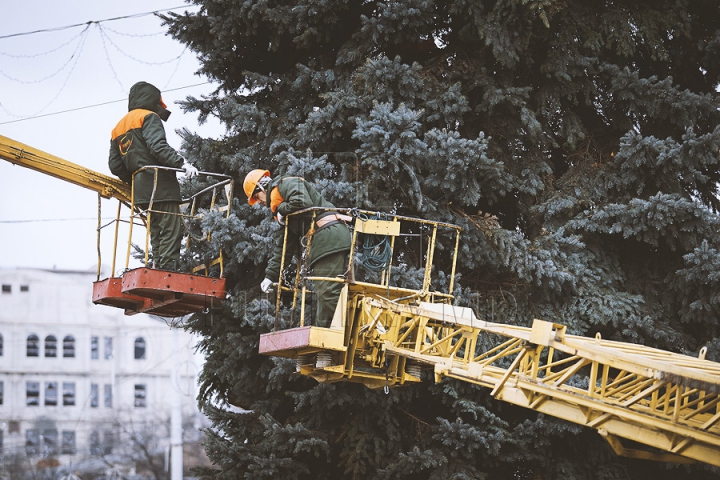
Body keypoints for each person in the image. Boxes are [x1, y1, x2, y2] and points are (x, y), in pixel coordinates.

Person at [244, 169, 352, 327]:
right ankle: (326, 345)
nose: (258, 202)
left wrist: (282, 210)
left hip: (328, 236)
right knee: (324, 297)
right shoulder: (284, 211)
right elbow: (284, 247)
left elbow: (303, 201)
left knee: (327, 292)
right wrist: (270, 276)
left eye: (256, 197)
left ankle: (360, 327)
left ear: (262, 187)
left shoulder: (285, 184)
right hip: (326, 239)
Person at [108, 81, 198, 270]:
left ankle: (158, 267)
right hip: (162, 187)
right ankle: (166, 273)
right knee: (171, 230)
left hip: (142, 193)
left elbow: (115, 165)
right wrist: (181, 163)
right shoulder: (149, 117)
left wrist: (136, 178)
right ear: (152, 99)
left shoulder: (118, 127)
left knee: (156, 232)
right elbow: (158, 147)